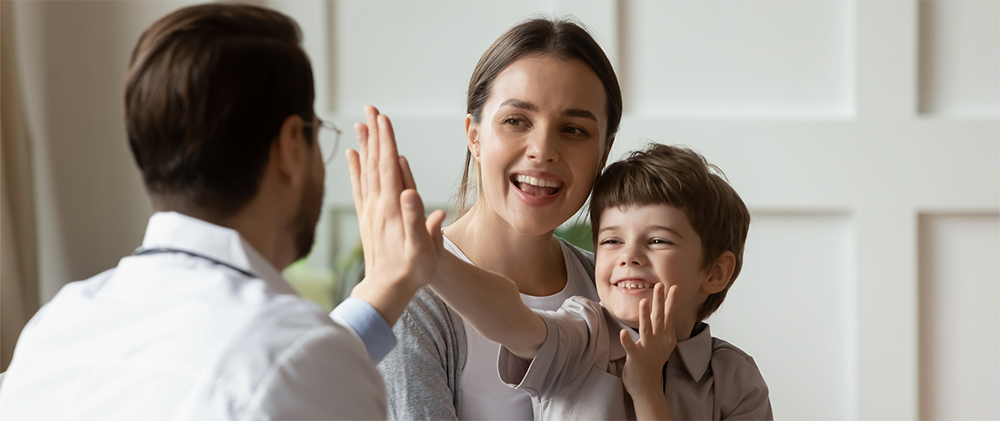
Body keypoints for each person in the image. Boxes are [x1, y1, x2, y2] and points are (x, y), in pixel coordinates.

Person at [0, 5, 443, 420]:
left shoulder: (54, 328)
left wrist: (385, 287)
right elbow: (284, 368)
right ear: (291, 146)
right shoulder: (301, 360)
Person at [358, 140, 773, 420]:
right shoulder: (585, 331)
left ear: (715, 273)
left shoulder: (737, 380)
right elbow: (511, 319)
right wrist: (434, 262)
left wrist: (647, 391)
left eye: (659, 240)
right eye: (611, 240)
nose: (629, 256)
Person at [373, 17, 623, 421]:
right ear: (474, 134)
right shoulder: (413, 297)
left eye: (574, 129)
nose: (542, 150)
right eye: (516, 121)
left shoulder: (610, 287)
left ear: (604, 152)